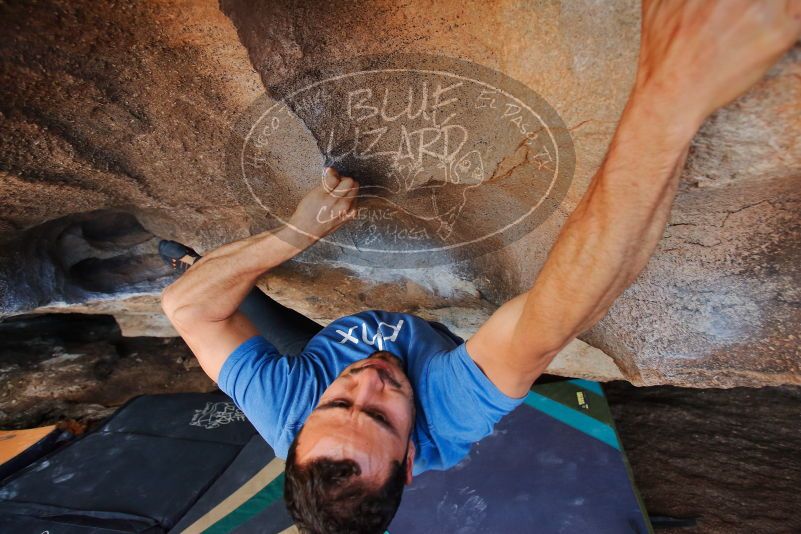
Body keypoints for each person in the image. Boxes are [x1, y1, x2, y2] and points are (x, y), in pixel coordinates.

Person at [160, 2, 801, 532]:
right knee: (260, 318)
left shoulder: (289, 409)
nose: (367, 381)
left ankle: (191, 263)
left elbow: (184, 309)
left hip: (306, 358)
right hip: (421, 357)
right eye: (379, 415)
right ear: (410, 459)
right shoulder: (451, 413)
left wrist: (297, 232)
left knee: (222, 300)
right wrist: (672, 93)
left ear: (303, 426)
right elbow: (563, 306)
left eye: (339, 403)